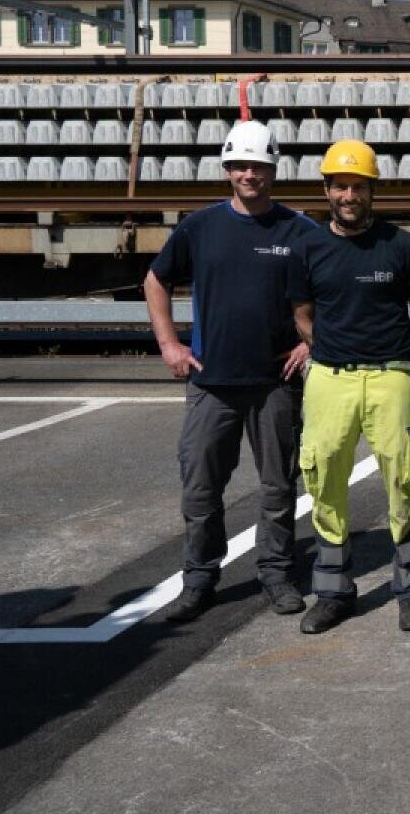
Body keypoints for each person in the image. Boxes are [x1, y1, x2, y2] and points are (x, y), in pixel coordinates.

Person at [145, 120, 315, 623]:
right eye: (240, 166)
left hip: (275, 384)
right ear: (227, 169)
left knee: (279, 486)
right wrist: (169, 344)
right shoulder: (200, 228)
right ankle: (198, 579)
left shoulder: (299, 230)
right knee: (200, 486)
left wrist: (311, 344)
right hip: (210, 383)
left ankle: (276, 573)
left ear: (273, 170)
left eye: (259, 166)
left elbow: (327, 292)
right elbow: (154, 282)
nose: (249, 174)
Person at [286, 140, 410, 635]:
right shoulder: (307, 249)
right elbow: (303, 316)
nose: (350, 195)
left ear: (373, 190)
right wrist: (329, 349)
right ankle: (333, 591)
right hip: (330, 378)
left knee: (404, 475)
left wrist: (404, 362)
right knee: (322, 473)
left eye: (359, 186)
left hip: (390, 374)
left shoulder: (403, 247)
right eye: (341, 185)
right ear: (326, 190)